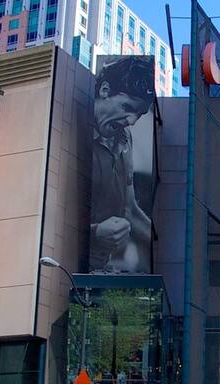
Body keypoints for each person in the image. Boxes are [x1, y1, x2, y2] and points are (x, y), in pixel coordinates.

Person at [86, 55, 156, 274]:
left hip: (103, 273)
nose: (132, 121)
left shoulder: (125, 138)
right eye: (127, 107)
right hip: (65, 273)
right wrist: (95, 232)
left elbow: (130, 207)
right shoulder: (72, 126)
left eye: (139, 114)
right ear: (105, 90)